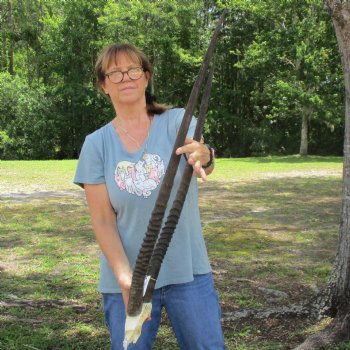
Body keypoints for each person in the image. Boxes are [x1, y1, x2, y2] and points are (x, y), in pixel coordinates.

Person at [74, 43, 225, 350]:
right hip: (127, 279)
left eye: (133, 70)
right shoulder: (96, 145)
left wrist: (206, 154)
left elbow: (201, 154)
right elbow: (102, 220)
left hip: (188, 271)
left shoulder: (178, 122)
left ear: (146, 77)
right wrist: (125, 278)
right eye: (115, 72)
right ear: (103, 85)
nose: (125, 77)